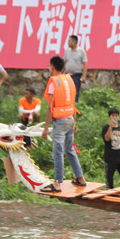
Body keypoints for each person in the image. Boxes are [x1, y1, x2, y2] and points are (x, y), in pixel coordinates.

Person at [40, 56, 87, 193]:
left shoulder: (54, 82)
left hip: (60, 122)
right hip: (69, 119)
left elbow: (50, 108)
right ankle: (80, 178)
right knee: (70, 150)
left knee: (58, 152)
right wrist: (74, 123)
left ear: (53, 68)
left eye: (49, 66)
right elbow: (72, 103)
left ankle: (57, 184)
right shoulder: (69, 80)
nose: (48, 69)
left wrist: (46, 128)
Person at [102, 108, 120, 189]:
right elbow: (106, 139)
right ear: (109, 117)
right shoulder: (106, 127)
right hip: (110, 157)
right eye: (113, 116)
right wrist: (110, 127)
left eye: (116, 115)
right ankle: (110, 192)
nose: (115, 117)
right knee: (110, 178)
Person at [64, 35, 88, 103]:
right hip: (67, 75)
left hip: (76, 75)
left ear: (74, 42)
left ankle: (75, 107)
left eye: (69, 41)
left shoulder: (81, 51)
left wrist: (84, 76)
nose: (68, 43)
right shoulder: (67, 51)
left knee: (75, 91)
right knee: (67, 91)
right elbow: (64, 62)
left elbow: (85, 64)